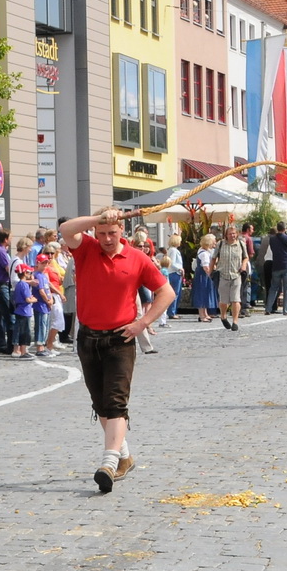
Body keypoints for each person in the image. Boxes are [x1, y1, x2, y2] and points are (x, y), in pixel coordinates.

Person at [59, 208, 174, 493]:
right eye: (102, 233)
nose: (108, 239)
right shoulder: (86, 250)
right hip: (88, 339)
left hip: (120, 340)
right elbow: (66, 229)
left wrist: (143, 323)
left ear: (122, 231)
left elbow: (167, 292)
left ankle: (108, 463)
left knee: (116, 403)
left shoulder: (137, 258)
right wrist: (99, 217)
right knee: (101, 405)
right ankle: (124, 457)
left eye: (112, 233)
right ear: (95, 233)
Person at [212, 224, 249, 332]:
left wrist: (243, 266)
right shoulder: (221, 244)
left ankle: (235, 321)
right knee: (224, 301)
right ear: (226, 235)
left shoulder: (241, 244)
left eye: (234, 233)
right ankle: (223, 316)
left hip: (236, 274)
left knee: (236, 299)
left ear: (236, 234)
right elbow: (214, 258)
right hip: (223, 274)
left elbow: (246, 257)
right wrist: (211, 270)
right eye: (230, 234)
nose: (232, 235)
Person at [38, 244, 67, 355]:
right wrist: (59, 293)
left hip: (57, 294)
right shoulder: (45, 267)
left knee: (56, 321)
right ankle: (48, 345)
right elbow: (47, 283)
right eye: (47, 253)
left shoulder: (53, 265)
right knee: (57, 321)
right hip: (52, 295)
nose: (50, 255)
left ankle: (50, 344)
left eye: (52, 253)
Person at [266, 222, 287, 316]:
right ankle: (286, 310)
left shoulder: (272, 239)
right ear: (285, 229)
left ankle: (268, 308)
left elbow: (273, 249)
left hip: (276, 265)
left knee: (273, 288)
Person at [191, 233, 218, 324]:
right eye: (214, 241)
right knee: (202, 294)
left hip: (202, 275)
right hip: (203, 275)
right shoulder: (204, 254)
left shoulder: (203, 251)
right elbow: (206, 267)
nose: (215, 243)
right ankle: (202, 315)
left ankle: (205, 313)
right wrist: (211, 274)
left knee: (205, 294)